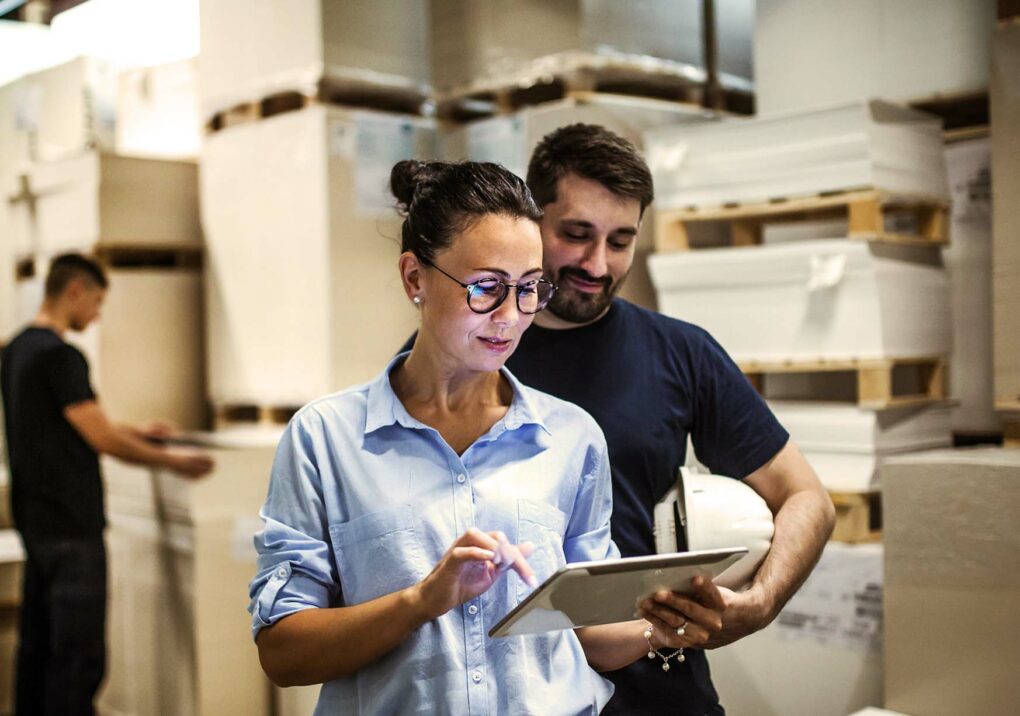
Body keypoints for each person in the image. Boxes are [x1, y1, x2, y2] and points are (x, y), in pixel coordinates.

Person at [249, 160, 685, 715]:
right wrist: (420, 601)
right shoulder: (327, 438)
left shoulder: (571, 438)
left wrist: (662, 627)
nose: (510, 316)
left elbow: (583, 633)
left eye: (529, 289)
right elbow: (284, 655)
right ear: (415, 278)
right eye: (486, 287)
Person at [503, 124, 838, 714]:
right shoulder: (474, 350)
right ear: (532, 222)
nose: (597, 263)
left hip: (661, 693)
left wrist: (760, 603)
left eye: (620, 240)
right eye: (576, 235)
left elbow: (807, 498)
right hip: (513, 694)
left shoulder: (680, 353)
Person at [0, 253, 214, 716]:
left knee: (38, 649)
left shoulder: (17, 349)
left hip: (37, 524)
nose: (97, 315)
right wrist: (172, 461)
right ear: (74, 291)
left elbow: (62, 424)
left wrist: (137, 431)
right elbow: (98, 437)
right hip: (71, 528)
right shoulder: (61, 355)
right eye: (96, 302)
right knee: (79, 658)